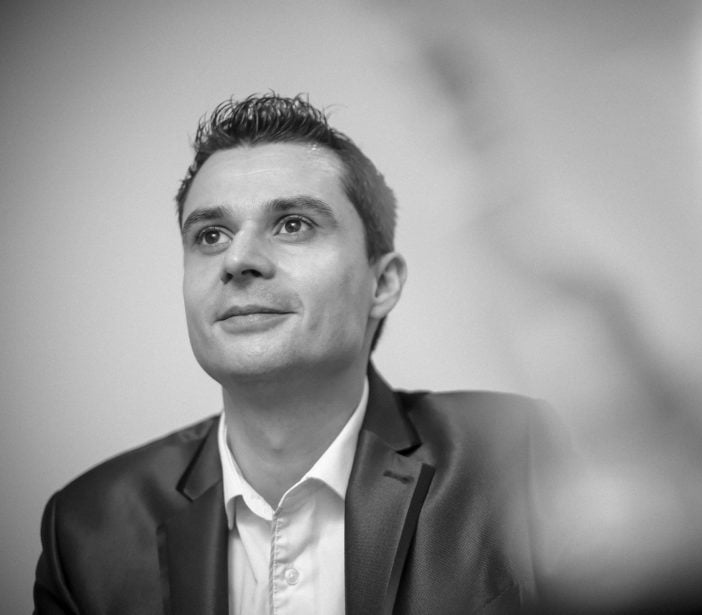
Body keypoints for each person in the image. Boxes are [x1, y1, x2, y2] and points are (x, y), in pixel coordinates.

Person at [33, 93, 552, 614]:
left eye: (293, 224)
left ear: (382, 283)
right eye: (211, 236)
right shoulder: (86, 528)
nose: (238, 259)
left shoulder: (520, 459)